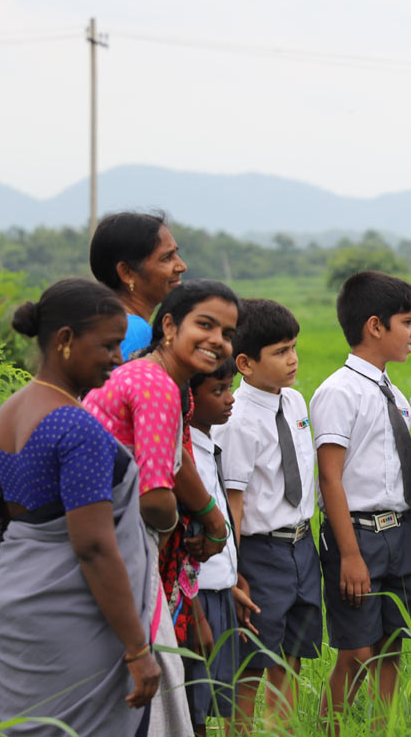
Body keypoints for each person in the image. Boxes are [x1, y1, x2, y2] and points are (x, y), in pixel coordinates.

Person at [0, 278, 160, 736]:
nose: (118, 358)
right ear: (65, 340)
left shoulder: (12, 410)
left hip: (16, 603)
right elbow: (93, 547)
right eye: (108, 345)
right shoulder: (77, 428)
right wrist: (137, 649)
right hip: (73, 621)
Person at [84, 279, 240, 735]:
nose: (218, 341)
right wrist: (177, 529)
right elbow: (155, 498)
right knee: (153, 682)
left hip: (102, 540)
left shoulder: (146, 374)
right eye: (205, 325)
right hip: (119, 547)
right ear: (169, 326)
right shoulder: (156, 386)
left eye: (227, 333)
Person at [311, 271, 411, 732]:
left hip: (401, 530)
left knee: (391, 643)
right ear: (375, 326)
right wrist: (350, 555)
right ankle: (328, 729)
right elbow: (330, 478)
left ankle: (384, 727)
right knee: (357, 651)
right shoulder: (338, 392)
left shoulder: (394, 394)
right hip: (357, 535)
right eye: (407, 322)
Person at [211, 298, 321, 734]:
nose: (292, 359)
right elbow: (233, 502)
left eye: (293, 348)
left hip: (301, 546)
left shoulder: (294, 402)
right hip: (260, 552)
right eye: (280, 351)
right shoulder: (236, 419)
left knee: (292, 654)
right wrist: (235, 569)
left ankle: (283, 729)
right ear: (245, 363)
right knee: (253, 659)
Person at [183, 357, 253, 736]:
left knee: (205, 707)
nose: (230, 399)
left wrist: (232, 579)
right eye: (218, 390)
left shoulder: (207, 446)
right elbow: (183, 543)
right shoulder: (186, 456)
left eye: (230, 388)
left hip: (216, 594)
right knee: (190, 710)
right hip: (195, 600)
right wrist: (196, 612)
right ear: (188, 398)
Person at [89, 211, 187, 359]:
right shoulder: (135, 332)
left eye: (176, 254)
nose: (182, 266)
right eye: (167, 258)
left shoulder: (98, 323)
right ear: (127, 272)